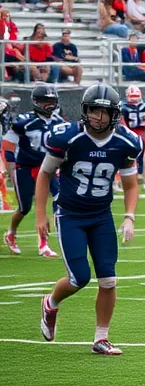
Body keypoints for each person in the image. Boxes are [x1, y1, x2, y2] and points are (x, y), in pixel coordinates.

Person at [36, 84, 142, 356]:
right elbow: (45, 174)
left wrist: (129, 216)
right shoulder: (68, 137)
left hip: (101, 215)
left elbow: (131, 184)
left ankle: (101, 338)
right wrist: (40, 214)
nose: (97, 116)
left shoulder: (126, 142)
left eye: (103, 111)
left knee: (108, 280)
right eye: (93, 110)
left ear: (114, 114)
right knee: (79, 277)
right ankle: (51, 302)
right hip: (70, 214)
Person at [3, 84, 64, 257]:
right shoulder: (24, 122)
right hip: (25, 168)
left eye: (51, 101)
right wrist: (10, 168)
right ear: (36, 102)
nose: (49, 105)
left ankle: (43, 244)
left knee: (57, 200)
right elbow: (7, 146)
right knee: (24, 207)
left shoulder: (59, 122)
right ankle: (11, 233)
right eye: (45, 101)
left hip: (48, 168)